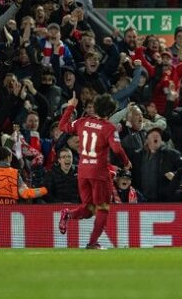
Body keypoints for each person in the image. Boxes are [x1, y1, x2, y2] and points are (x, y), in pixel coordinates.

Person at [58, 92, 131, 249]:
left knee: (89, 208)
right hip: (99, 173)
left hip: (83, 171)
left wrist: (71, 106)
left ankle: (68, 214)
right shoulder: (108, 128)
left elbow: (62, 126)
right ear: (110, 112)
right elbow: (117, 149)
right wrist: (126, 161)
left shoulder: (82, 122)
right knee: (103, 208)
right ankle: (92, 243)